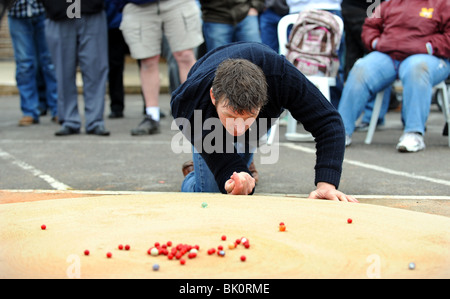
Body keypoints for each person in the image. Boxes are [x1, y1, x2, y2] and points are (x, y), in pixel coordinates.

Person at [171, 42, 357, 202]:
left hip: (261, 101)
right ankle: (194, 177)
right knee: (213, 193)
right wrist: (232, 171)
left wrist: (327, 185)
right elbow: (227, 169)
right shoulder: (190, 100)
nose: (238, 128)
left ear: (263, 102)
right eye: (231, 116)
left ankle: (242, 158)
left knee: (239, 184)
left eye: (247, 118)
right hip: (207, 119)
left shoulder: (283, 79)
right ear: (214, 96)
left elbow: (329, 123)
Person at [337, 0, 450, 152]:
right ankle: (339, 132)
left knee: (416, 68)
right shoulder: (390, 3)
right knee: (361, 67)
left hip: (428, 57)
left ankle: (413, 133)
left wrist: (429, 47)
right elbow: (370, 25)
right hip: (389, 54)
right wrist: (376, 43)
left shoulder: (443, 4)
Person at [119, 0, 203, 136]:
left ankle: (196, 114)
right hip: (138, 5)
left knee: (185, 55)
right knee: (148, 60)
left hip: (177, 3)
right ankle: (152, 116)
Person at [41, 0, 110, 136]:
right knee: (63, 71)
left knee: (95, 69)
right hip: (59, 11)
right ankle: (69, 119)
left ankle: (95, 120)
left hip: (91, 10)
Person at [286, 0, 345, 109]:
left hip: (329, 5)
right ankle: (298, 112)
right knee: (292, 66)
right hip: (296, 8)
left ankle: (336, 116)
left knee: (333, 70)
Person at [7, 0, 58, 126]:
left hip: (44, 11)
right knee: (24, 65)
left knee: (51, 63)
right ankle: (29, 111)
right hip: (17, 13)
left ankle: (58, 109)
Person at [199, 0, 265, 52]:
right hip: (215, 18)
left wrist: (255, 5)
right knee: (218, 60)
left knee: (256, 54)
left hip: (246, 14)